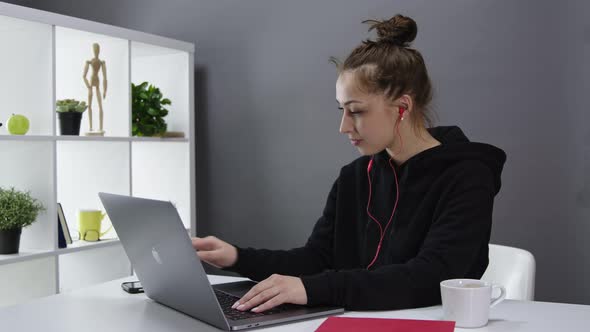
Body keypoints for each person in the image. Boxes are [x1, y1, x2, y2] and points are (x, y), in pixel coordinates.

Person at [192, 14, 506, 313]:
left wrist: (314, 289)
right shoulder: (354, 176)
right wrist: (236, 257)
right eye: (341, 109)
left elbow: (431, 277)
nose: (344, 126)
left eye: (355, 111)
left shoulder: (467, 175)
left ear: (402, 107)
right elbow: (317, 258)